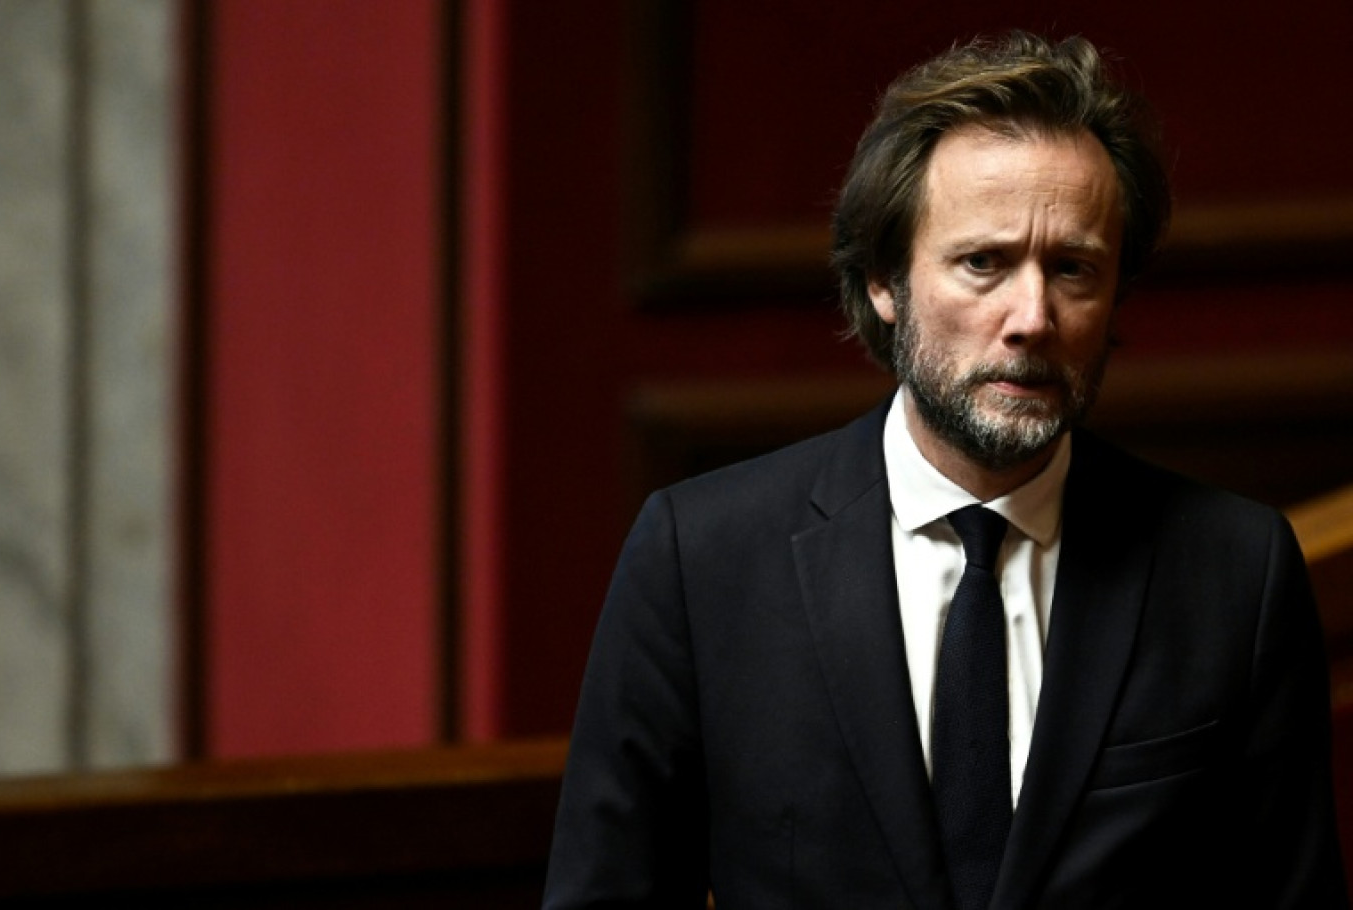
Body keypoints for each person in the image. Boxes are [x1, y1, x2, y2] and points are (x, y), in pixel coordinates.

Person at [543, 32, 1348, 910]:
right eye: (983, 264)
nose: (1032, 317)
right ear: (886, 281)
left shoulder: (1235, 570)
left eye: (1073, 269)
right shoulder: (701, 558)